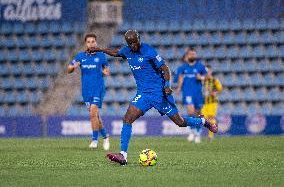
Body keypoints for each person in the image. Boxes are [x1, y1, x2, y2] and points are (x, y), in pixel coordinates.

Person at [92, 30, 217, 165]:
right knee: (127, 119)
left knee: (180, 122)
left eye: (134, 42)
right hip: (143, 94)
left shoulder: (149, 51)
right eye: (130, 43)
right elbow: (116, 52)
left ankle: (203, 122)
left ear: (139, 39)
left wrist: (167, 85)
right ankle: (123, 155)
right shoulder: (127, 51)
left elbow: (165, 68)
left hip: (159, 93)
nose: (133, 45)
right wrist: (99, 49)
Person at [67, 33, 110, 150]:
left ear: (96, 43)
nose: (91, 43)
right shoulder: (80, 56)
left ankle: (94, 140)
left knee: (92, 113)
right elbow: (69, 69)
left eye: (93, 41)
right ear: (86, 43)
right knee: (95, 116)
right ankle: (105, 137)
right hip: (86, 90)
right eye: (89, 42)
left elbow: (107, 70)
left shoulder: (101, 56)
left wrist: (105, 72)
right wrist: (73, 67)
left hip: (98, 88)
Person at [174, 48, 207, 143]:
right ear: (187, 56)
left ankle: (197, 131)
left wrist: (201, 77)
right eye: (190, 54)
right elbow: (179, 77)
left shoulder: (200, 66)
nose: (192, 55)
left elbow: (207, 77)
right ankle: (194, 132)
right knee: (190, 112)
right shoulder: (183, 67)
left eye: (194, 54)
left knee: (198, 113)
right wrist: (179, 88)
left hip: (198, 93)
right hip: (187, 93)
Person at [201, 64, 223, 141]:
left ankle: (210, 135)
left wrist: (216, 93)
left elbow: (220, 89)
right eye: (205, 71)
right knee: (203, 118)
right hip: (203, 103)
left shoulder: (214, 80)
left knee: (211, 117)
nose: (206, 73)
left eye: (208, 71)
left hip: (212, 103)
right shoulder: (202, 80)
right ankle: (212, 129)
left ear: (211, 71)